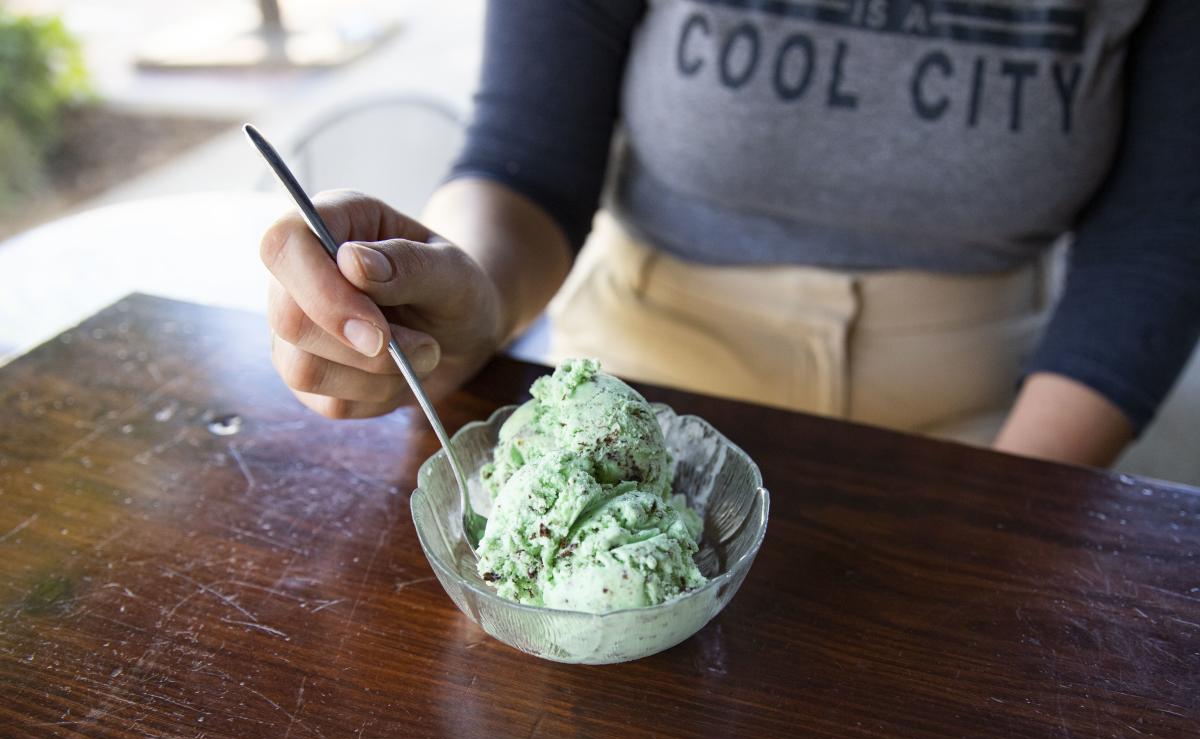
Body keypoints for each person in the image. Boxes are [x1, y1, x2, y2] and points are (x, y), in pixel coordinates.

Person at [259, 0, 1199, 468]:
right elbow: (529, 155)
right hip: (636, 391)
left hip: (990, 420)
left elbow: (1159, 245)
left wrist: (1009, 505)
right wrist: (462, 300)